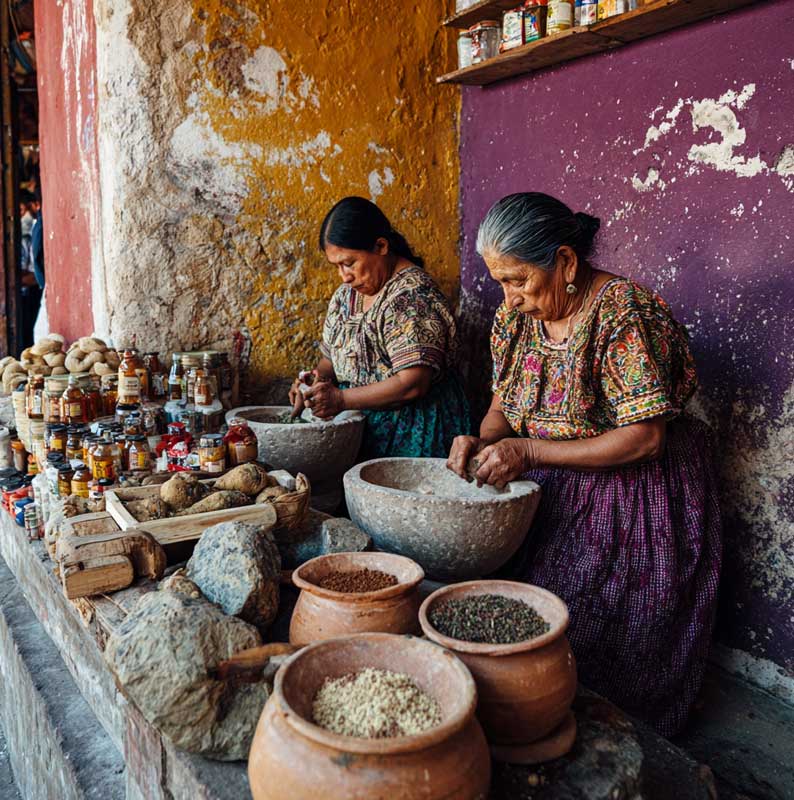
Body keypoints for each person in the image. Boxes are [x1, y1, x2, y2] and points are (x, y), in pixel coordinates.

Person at [447, 192, 721, 736]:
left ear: (566, 263)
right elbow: (505, 401)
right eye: (500, 280)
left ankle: (620, 742)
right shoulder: (516, 318)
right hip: (552, 482)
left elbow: (644, 439)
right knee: (529, 618)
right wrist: (483, 440)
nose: (509, 296)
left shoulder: (625, 315)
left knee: (607, 642)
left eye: (518, 280)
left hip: (636, 492)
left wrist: (527, 451)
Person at [290, 196, 470, 458]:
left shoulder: (411, 297)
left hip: (414, 435)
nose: (344, 276)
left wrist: (340, 400)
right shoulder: (346, 296)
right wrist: (312, 382)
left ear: (381, 246)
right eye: (337, 266)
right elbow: (329, 361)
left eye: (349, 263)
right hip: (363, 431)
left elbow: (412, 384)